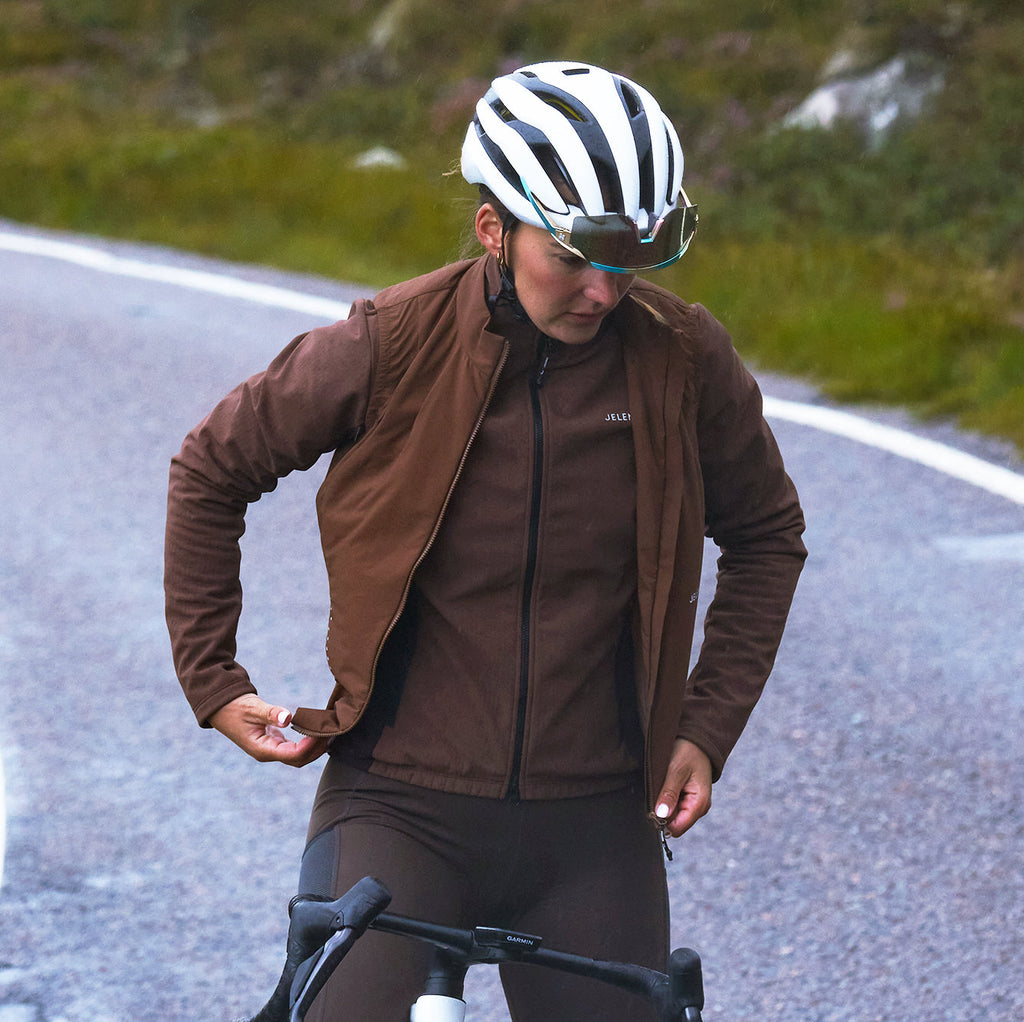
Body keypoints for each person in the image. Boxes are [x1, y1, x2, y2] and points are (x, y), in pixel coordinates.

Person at [164, 60, 806, 1021]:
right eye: (575, 255)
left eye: (631, 257)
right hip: (398, 808)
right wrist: (215, 682)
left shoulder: (684, 357)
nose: (603, 289)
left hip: (594, 827)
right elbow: (212, 469)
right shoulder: (391, 343)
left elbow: (766, 535)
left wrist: (705, 731)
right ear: (493, 229)